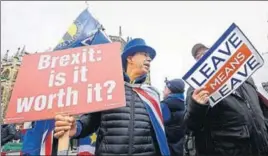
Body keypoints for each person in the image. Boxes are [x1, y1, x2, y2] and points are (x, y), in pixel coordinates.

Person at [53, 38, 170, 156]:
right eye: (144, 54)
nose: (149, 59)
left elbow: (159, 136)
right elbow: (91, 120)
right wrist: (77, 128)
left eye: (149, 56)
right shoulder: (108, 88)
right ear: (129, 58)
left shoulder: (152, 94)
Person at [184, 43, 268, 156]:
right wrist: (197, 106)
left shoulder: (246, 78)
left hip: (262, 146)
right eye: (198, 57)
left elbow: (260, 109)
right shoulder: (197, 89)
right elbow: (190, 126)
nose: (204, 57)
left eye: (207, 52)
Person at [161, 78, 186, 156]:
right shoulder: (187, 105)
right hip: (182, 149)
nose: (162, 91)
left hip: (167, 150)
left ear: (170, 90)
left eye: (165, 88)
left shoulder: (163, 105)